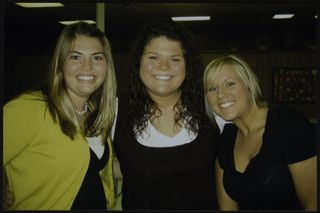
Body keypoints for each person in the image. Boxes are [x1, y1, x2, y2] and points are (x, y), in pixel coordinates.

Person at [3, 22, 117, 210]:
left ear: (107, 65)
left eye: (97, 57)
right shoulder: (28, 110)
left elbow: (89, 166)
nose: (87, 66)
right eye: (75, 57)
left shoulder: (96, 113)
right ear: (60, 64)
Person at [112, 19, 220, 210]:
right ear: (139, 63)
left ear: (188, 66)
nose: (163, 66)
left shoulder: (212, 107)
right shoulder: (113, 112)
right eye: (153, 57)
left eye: (175, 59)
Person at [203, 54, 317, 210]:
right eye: (212, 88)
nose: (221, 94)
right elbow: (227, 208)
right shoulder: (225, 139)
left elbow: (313, 203)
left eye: (230, 84)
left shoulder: (287, 123)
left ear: (249, 85)